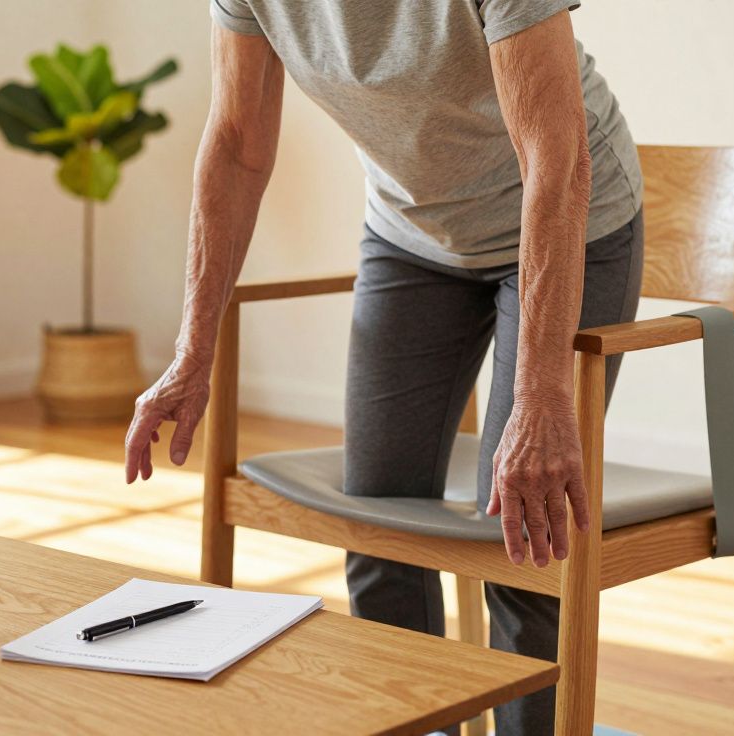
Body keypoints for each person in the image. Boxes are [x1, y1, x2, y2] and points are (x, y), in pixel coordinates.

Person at [125, 2, 643, 733]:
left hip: (569, 224)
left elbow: (555, 161)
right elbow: (239, 143)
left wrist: (542, 394)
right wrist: (192, 350)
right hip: (412, 237)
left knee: (522, 545)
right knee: (376, 531)